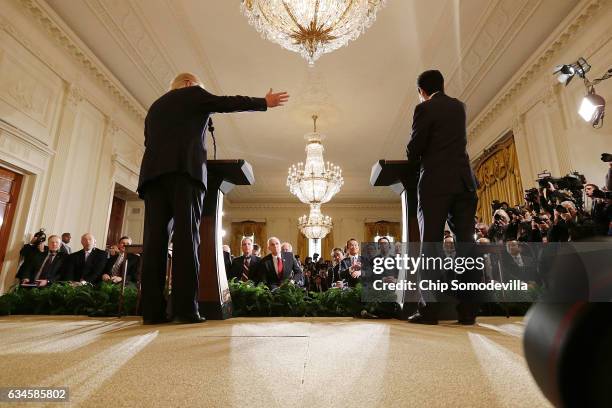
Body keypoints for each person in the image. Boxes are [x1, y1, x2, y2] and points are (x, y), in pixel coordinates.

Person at [137, 72, 289, 324]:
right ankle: (184, 310)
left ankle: (152, 312)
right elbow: (227, 102)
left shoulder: (155, 107)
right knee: (187, 239)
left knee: (155, 243)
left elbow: (148, 141)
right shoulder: (192, 93)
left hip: (153, 178)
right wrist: (263, 102)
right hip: (184, 173)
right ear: (188, 83)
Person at [406, 70, 479, 325]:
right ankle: (468, 312)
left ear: (422, 91)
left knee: (431, 245)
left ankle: (429, 312)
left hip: (436, 184)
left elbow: (414, 149)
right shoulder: (459, 106)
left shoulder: (424, 108)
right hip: (463, 182)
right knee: (466, 245)